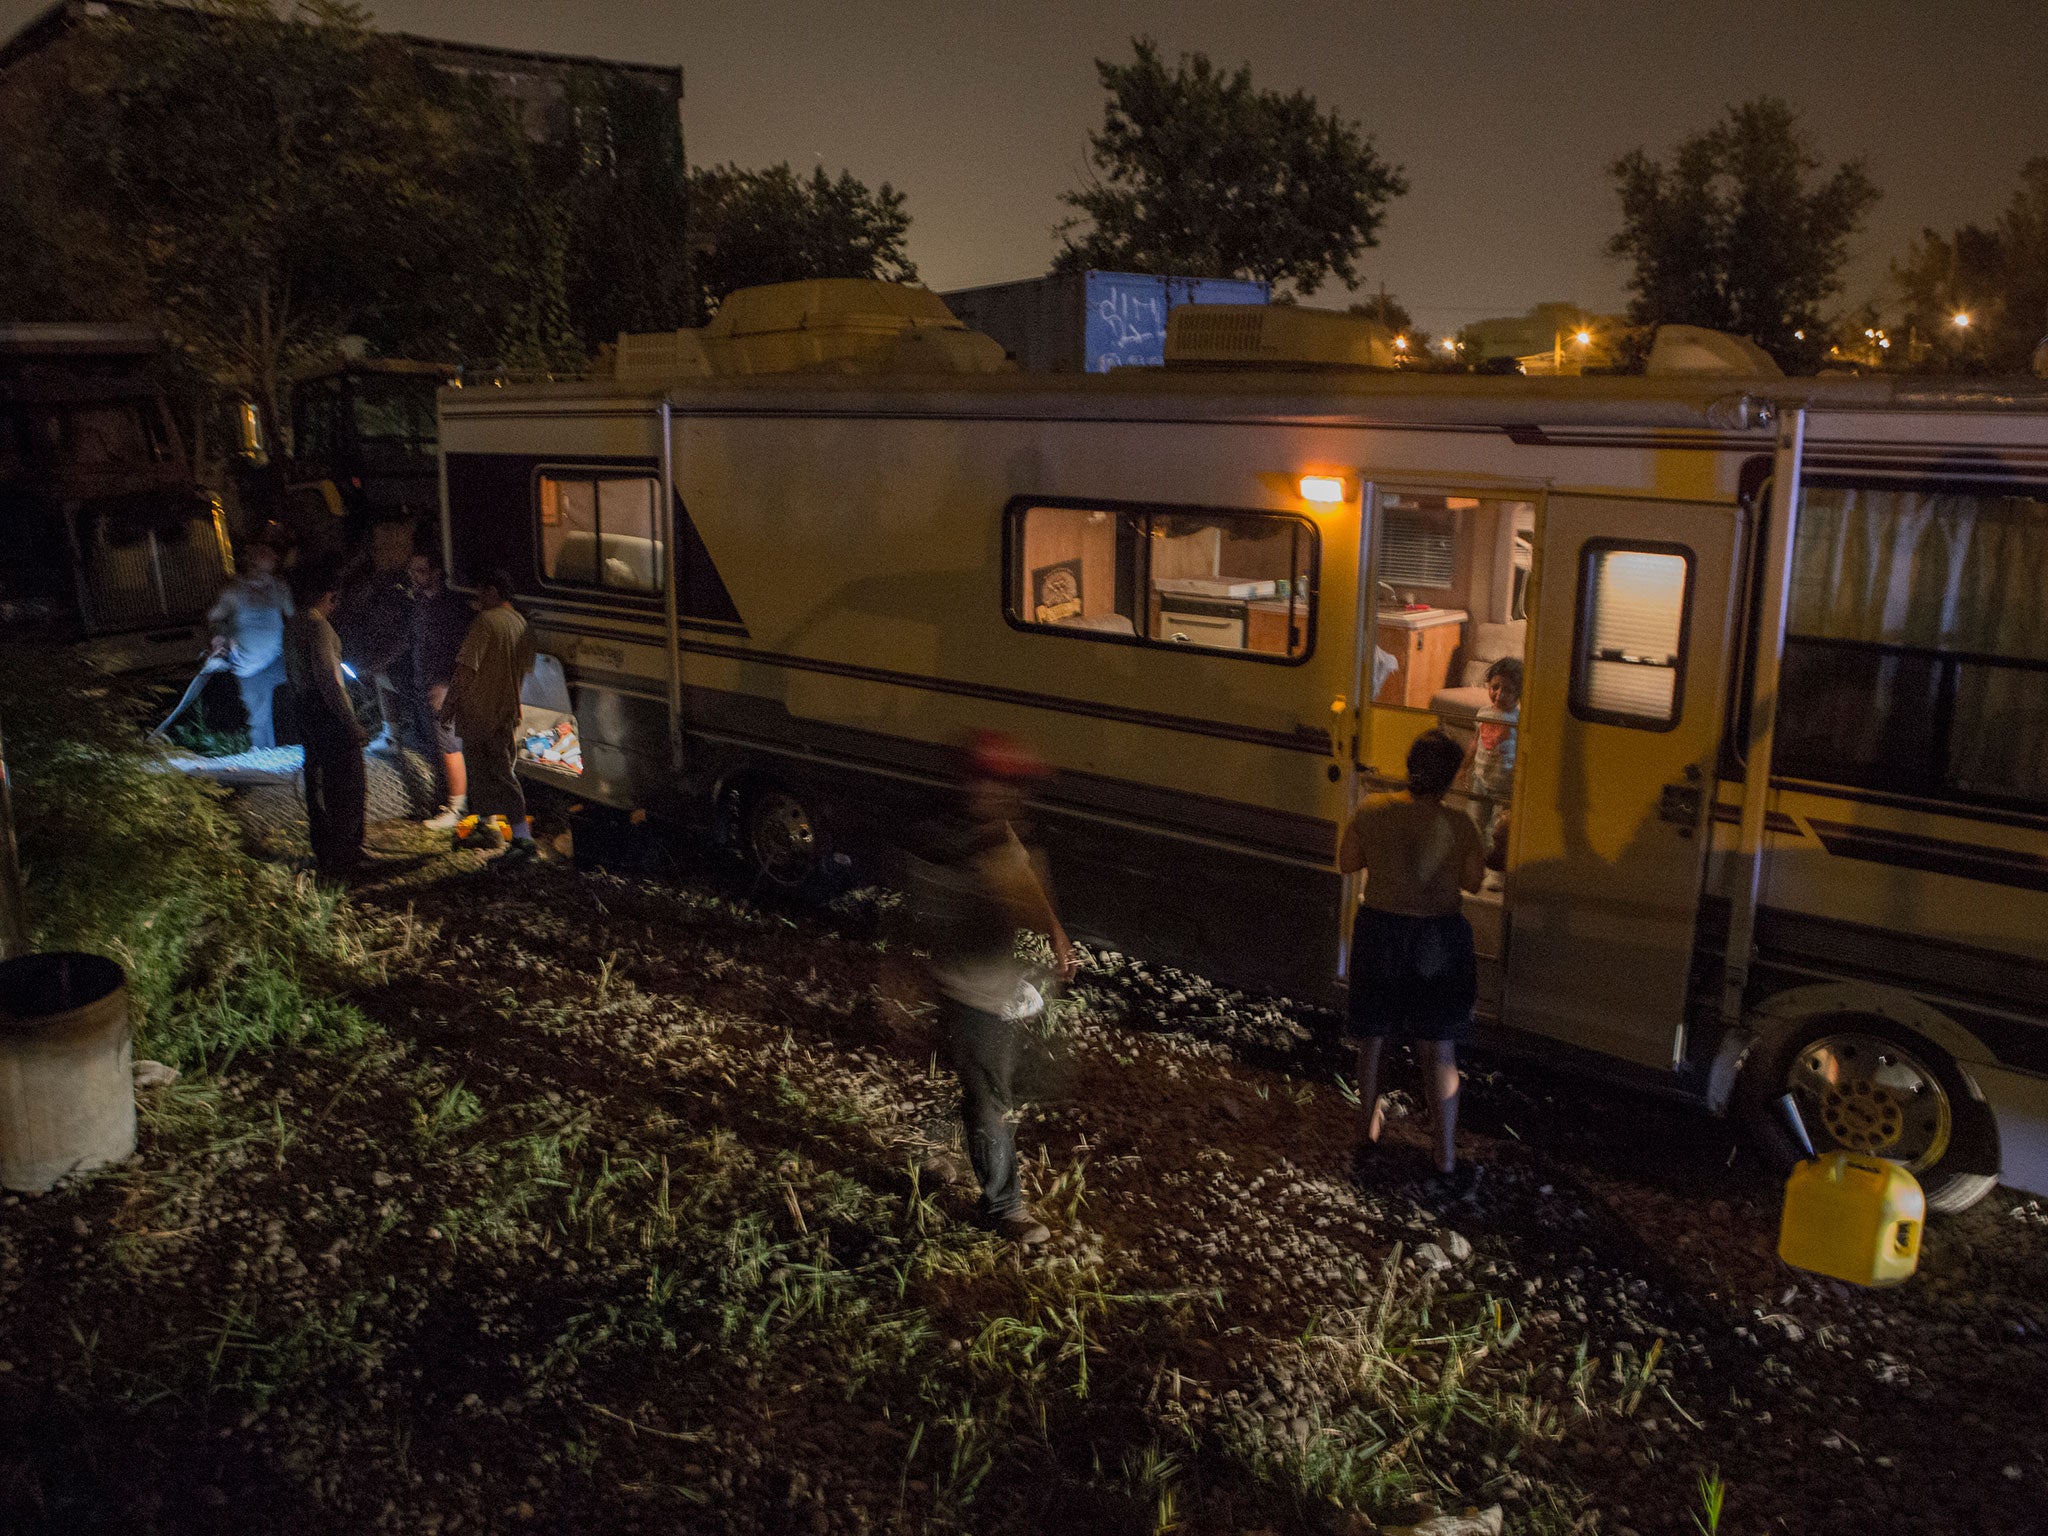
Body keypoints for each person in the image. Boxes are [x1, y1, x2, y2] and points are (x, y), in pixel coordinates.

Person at [906, 731, 1076, 1246]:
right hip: (972, 989)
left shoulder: (1000, 832)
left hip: (1002, 985)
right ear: (972, 786)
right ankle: (1004, 1207)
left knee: (991, 1086)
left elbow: (1024, 879)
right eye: (996, 786)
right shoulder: (948, 841)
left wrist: (1055, 932)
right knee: (990, 1099)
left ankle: (949, 1149)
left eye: (1013, 789)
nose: (1007, 797)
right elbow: (925, 911)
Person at [1338, 729, 1486, 1190]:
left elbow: (1346, 863)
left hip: (1382, 929)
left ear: (1409, 764)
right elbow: (1475, 883)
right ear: (1451, 776)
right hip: (1438, 937)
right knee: (1439, 1048)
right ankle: (1443, 1153)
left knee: (1374, 1036)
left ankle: (1367, 1127)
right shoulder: (1462, 825)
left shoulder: (1372, 810)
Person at [440, 568, 538, 865]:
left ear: (494, 591)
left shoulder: (485, 622)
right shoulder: (522, 624)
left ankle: (523, 839)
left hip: (480, 712)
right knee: (488, 772)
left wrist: (449, 705)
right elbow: (527, 669)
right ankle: (487, 827)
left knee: (499, 775)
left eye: (482, 593)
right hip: (506, 712)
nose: (479, 600)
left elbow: (466, 668)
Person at [282, 561, 368, 877]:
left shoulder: (292, 625)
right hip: (326, 712)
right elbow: (329, 680)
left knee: (317, 779)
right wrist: (351, 722)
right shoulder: (320, 627)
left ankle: (326, 849)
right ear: (329, 595)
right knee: (347, 784)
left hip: (303, 707)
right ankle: (348, 852)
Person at [207, 541, 293, 751]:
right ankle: (264, 761)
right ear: (252, 559)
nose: (272, 557)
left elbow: (292, 618)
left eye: (272, 554)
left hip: (277, 658)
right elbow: (214, 618)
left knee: (299, 699)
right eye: (266, 552)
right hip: (247, 664)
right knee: (259, 717)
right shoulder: (234, 591)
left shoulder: (279, 587)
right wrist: (219, 638)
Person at [407, 550, 471, 831]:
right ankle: (446, 801)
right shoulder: (421, 602)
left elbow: (461, 651)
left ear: (436, 573)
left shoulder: (450, 608)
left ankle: (457, 808)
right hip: (426, 683)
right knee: (440, 745)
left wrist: (445, 684)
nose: (413, 577)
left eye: (420, 571)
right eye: (412, 571)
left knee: (450, 746)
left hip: (443, 687)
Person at [1464, 657, 1521, 869]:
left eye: (1507, 690)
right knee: (1475, 823)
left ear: (1519, 693)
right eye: (1495, 687)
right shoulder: (1483, 713)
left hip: (1505, 783)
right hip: (1481, 777)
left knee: (1500, 829)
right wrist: (1465, 767)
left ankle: (1496, 870)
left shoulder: (1519, 718)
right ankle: (1476, 864)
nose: (1499, 695)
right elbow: (1475, 740)